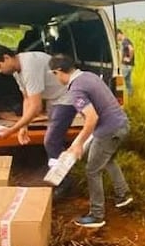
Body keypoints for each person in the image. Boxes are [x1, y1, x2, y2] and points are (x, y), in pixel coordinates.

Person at [49, 54, 133, 228]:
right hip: (122, 125)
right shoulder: (89, 76)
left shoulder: (75, 89)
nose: (56, 79)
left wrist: (78, 143)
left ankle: (97, 215)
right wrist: (78, 143)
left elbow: (92, 118)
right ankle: (123, 195)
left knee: (92, 170)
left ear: (58, 71)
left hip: (108, 130)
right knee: (108, 159)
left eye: (54, 75)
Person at [0, 44, 76, 198]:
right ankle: (58, 174)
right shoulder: (17, 71)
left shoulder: (29, 66)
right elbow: (27, 99)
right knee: (54, 140)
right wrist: (23, 127)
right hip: (55, 99)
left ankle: (64, 183)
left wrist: (11, 130)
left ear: (6, 58)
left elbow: (36, 107)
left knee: (51, 141)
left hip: (67, 97)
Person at [116, 29, 135, 96]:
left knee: (118, 82)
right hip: (130, 65)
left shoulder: (125, 41)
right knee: (128, 83)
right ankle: (131, 97)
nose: (117, 39)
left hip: (126, 65)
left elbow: (131, 49)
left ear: (119, 34)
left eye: (116, 36)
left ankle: (118, 98)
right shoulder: (127, 40)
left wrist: (129, 58)